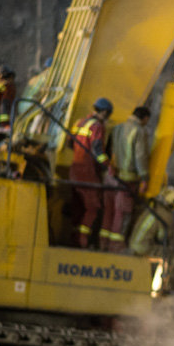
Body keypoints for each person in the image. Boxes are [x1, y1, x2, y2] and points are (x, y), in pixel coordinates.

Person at [100, 106, 151, 252]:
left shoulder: (118, 128)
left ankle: (103, 242)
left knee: (108, 210)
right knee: (122, 213)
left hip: (111, 177)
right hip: (127, 179)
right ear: (145, 118)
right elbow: (140, 157)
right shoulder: (139, 131)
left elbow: (108, 150)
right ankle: (115, 245)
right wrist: (144, 178)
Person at [69, 97, 113, 248]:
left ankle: (74, 237)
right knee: (93, 207)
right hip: (87, 172)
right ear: (105, 113)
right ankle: (82, 241)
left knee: (79, 206)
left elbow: (70, 143)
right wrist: (107, 165)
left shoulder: (80, 122)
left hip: (75, 169)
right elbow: (97, 150)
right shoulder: (97, 126)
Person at [127, 185, 174, 256]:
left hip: (132, 243)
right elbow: (162, 236)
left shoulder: (152, 205)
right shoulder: (166, 215)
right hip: (144, 248)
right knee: (170, 254)